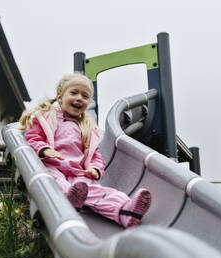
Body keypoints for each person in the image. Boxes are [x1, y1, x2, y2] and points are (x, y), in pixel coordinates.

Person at [19, 72, 151, 228]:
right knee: (57, 183)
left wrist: (95, 168)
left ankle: (125, 210)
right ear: (60, 97)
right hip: (51, 166)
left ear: (88, 103)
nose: (79, 98)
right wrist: (45, 150)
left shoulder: (87, 129)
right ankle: (68, 201)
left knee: (97, 191)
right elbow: (32, 138)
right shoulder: (47, 117)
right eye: (74, 93)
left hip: (77, 173)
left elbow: (95, 156)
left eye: (85, 96)